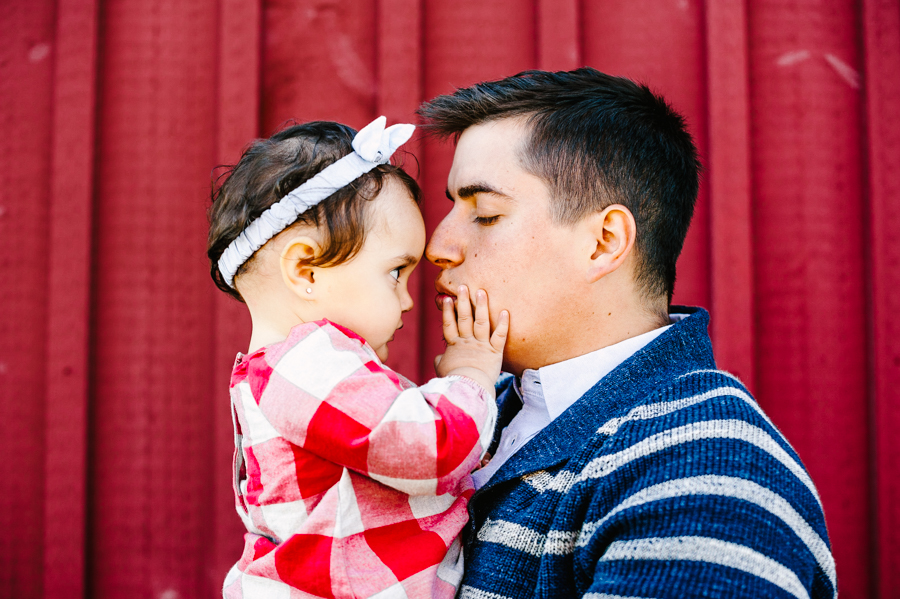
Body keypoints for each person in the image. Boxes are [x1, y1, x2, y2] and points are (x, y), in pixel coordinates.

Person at [419, 68, 836, 598]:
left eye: (485, 214)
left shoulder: (706, 468)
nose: (438, 246)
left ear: (603, 242)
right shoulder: (463, 416)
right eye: (452, 206)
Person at [206, 117, 509, 599]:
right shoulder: (307, 366)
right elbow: (432, 448)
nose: (409, 301)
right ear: (306, 269)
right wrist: (471, 373)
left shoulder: (298, 371)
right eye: (395, 273)